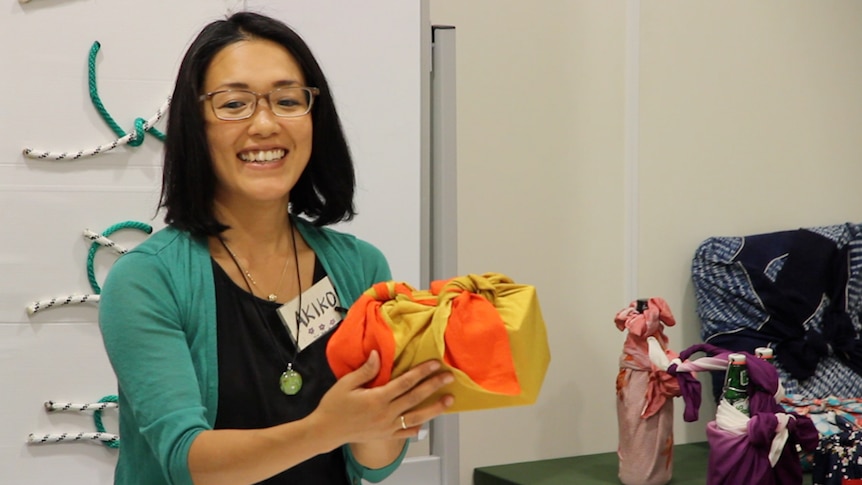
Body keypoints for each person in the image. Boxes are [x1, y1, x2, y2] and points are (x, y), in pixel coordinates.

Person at [98, 11, 454, 485]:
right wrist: (327, 428)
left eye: (288, 100)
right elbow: (189, 462)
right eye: (234, 104)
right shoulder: (147, 280)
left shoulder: (359, 267)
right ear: (195, 125)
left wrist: (395, 408)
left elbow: (373, 462)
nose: (265, 124)